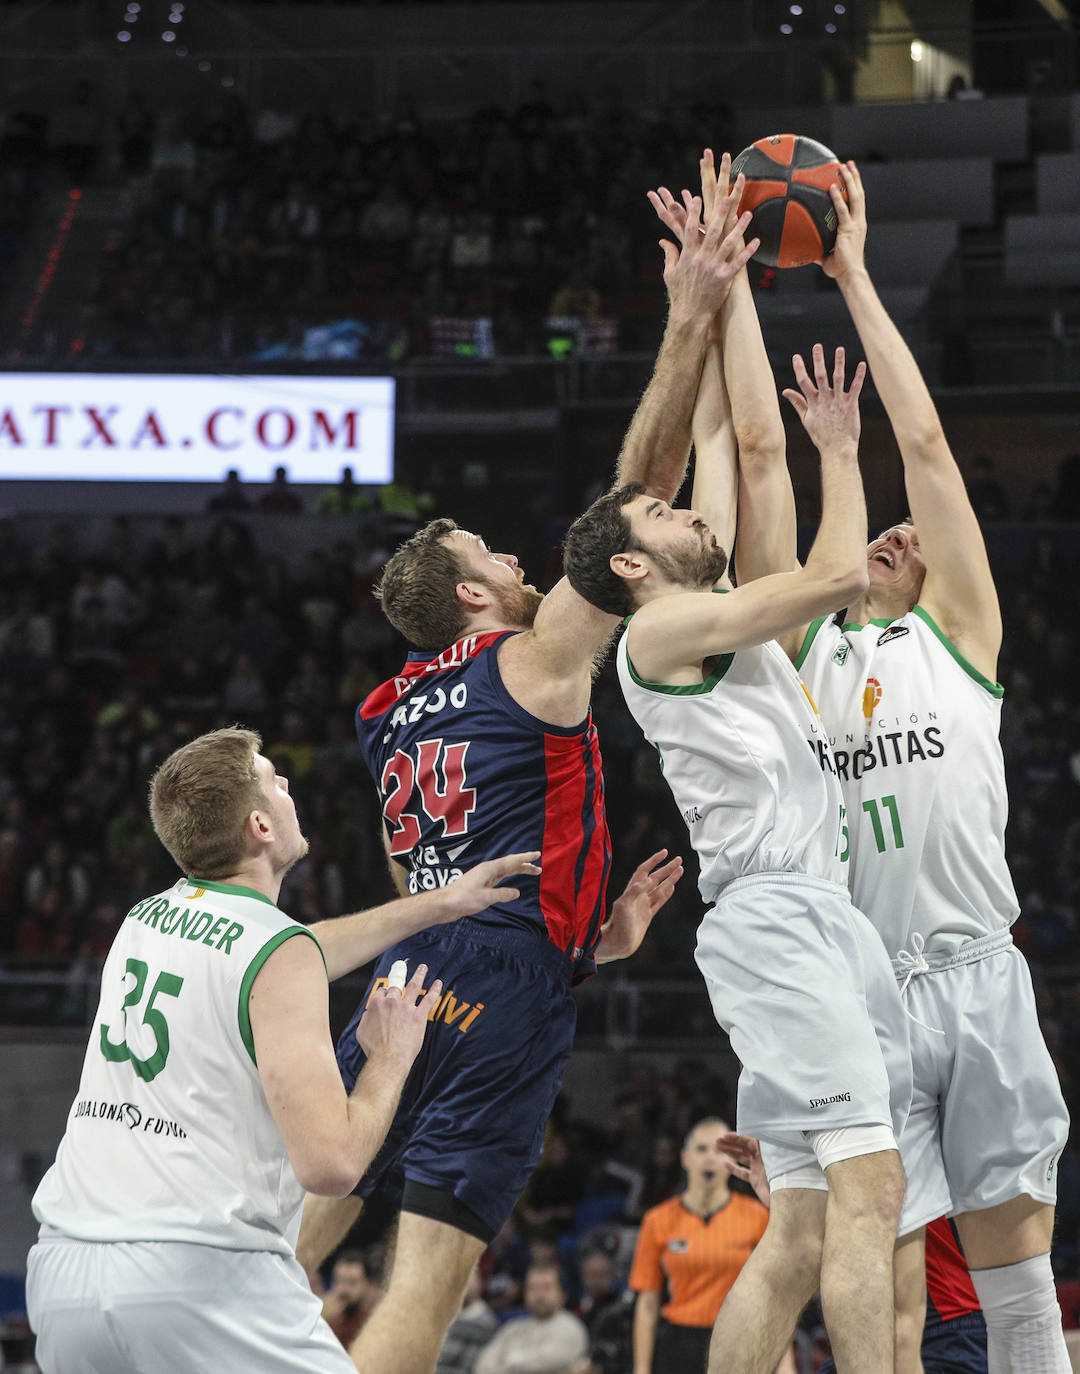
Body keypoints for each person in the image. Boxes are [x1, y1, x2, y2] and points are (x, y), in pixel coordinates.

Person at [293, 176, 759, 1374]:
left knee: (293, 1244)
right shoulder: (529, 651)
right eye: (491, 555)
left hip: (408, 965)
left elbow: (425, 874)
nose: (515, 555)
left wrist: (581, 938)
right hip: (500, 985)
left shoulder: (382, 708)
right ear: (471, 599)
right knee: (427, 1286)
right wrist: (691, 313)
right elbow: (624, 525)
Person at [562, 173, 912, 1369]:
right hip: (773, 922)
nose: (681, 513)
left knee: (809, 1228)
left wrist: (719, 290)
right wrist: (843, 452)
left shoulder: (689, 593)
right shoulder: (659, 634)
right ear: (629, 566)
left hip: (819, 913)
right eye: (658, 516)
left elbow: (727, 435)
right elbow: (829, 579)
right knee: (869, 1189)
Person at [733, 158, 1071, 1374]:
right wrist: (738, 312)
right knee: (868, 1289)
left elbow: (923, 442)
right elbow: (766, 498)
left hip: (977, 976)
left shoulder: (961, 641)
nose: (894, 529)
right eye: (875, 526)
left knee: (1014, 1285)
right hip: (858, 996)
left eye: (911, 535)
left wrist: (854, 275)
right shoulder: (804, 651)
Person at [25, 725, 541, 1374]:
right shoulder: (276, 950)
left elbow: (291, 952)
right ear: (260, 828)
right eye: (274, 778)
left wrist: (439, 905)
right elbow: (333, 1167)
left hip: (65, 1273)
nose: (288, 784)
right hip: (197, 1276)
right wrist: (389, 1058)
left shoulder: (145, 918)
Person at [718, 1131, 988, 1373]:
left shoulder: (908, 1120)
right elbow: (843, 1254)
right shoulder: (838, 1152)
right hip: (866, 1333)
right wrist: (790, 1206)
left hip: (948, 1331)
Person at [629, 1118, 776, 1374]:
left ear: (732, 1161)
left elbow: (772, 1298)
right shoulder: (657, 1220)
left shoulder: (757, 1216)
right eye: (701, 1149)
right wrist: (641, 1369)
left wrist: (783, 1363)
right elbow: (648, 1303)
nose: (710, 1158)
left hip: (738, 1341)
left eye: (720, 1150)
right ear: (685, 1159)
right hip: (679, 1345)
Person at [473, 1263, 589, 1374]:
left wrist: (508, 1362)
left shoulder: (570, 1327)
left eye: (546, 1288)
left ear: (562, 1294)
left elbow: (548, 1364)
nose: (539, 1295)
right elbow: (483, 1366)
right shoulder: (513, 1328)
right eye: (532, 1288)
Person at [436, 1267, 500, 1374]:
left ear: (480, 1283)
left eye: (470, 1277)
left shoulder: (485, 1323)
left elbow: (468, 1369)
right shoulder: (441, 1317)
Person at [321, 1250, 374, 1350]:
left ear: (369, 1286)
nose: (343, 1289)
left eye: (352, 1282)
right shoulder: (325, 1320)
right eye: (338, 1281)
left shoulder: (373, 1324)